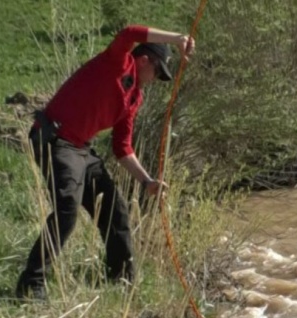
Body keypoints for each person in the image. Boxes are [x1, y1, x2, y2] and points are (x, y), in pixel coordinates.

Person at [15, 25, 195, 300]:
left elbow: (122, 148)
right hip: (55, 140)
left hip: (81, 150)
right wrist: (177, 39)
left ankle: (121, 281)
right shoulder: (117, 62)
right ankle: (30, 285)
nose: (156, 78)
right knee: (67, 211)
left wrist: (146, 181)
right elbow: (129, 33)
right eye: (158, 71)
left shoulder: (134, 97)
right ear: (143, 59)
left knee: (115, 210)